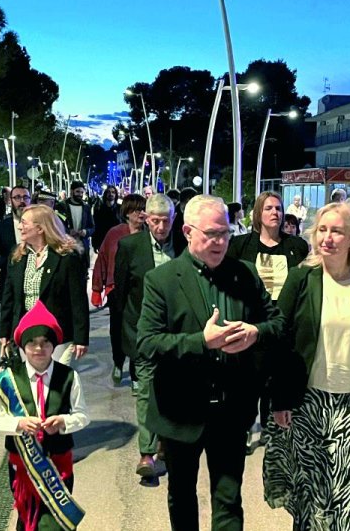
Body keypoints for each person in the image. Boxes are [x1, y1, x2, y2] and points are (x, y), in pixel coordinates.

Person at [137, 194, 283, 530]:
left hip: (232, 410)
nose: (220, 241)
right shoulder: (161, 280)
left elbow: (277, 322)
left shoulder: (245, 274)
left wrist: (254, 332)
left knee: (228, 500)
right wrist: (200, 341)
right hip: (180, 411)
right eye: (212, 234)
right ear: (188, 231)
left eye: (226, 233)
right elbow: (146, 343)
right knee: (182, 495)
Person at [263, 202, 350, 530]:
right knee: (313, 498)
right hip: (310, 403)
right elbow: (281, 339)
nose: (328, 237)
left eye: (336, 230)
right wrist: (280, 399)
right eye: (322, 230)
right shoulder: (301, 278)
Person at [0, 301, 90, 531]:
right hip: (23, 465)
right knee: (27, 518)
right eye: (32, 343)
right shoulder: (8, 379)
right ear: (23, 346)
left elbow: (83, 415)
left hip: (59, 464)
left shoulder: (69, 377)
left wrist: (64, 422)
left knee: (55, 522)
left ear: (54, 346)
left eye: (45, 343)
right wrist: (19, 423)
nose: (39, 349)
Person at [227, 191, 310, 452]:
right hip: (252, 321)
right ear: (258, 214)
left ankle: (271, 428)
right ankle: (242, 428)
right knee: (249, 381)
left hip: (285, 322)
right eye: (269, 208)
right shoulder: (240, 245)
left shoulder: (296, 246)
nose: (275, 213)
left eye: (278, 208)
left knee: (278, 378)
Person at [112, 193, 185, 481]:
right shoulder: (130, 246)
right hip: (143, 332)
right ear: (145, 219)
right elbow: (120, 293)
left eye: (166, 220)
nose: (160, 226)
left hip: (178, 333)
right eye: (155, 221)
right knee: (145, 393)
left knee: (173, 391)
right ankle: (146, 452)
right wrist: (124, 334)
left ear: (174, 219)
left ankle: (167, 443)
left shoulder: (184, 244)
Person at [0, 204, 89, 365]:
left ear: (40, 228)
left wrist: (81, 338)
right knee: (30, 385)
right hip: (25, 332)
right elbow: (9, 297)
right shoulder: (18, 255)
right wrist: (4, 332)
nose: (20, 227)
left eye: (25, 223)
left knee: (53, 385)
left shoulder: (67, 257)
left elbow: (78, 301)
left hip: (57, 334)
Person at [91, 194, 146, 384]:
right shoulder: (115, 233)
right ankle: (118, 361)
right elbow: (102, 260)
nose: (141, 213)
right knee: (117, 328)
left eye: (143, 208)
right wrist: (97, 289)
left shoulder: (149, 232)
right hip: (116, 289)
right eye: (137, 209)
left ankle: (135, 371)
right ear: (127, 212)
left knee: (137, 329)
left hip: (140, 289)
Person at [0, 185, 31, 306]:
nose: (22, 201)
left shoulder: (41, 225)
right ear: (10, 200)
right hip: (9, 284)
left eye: (25, 197)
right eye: (17, 197)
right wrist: (10, 261)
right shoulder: (0, 227)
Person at [56, 181, 95, 269]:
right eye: (77, 192)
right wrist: (68, 231)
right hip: (66, 244)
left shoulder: (86, 208)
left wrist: (86, 232)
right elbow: (57, 224)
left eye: (82, 192)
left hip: (82, 246)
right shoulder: (62, 206)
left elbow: (92, 227)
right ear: (72, 191)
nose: (80, 194)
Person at [92, 185, 122, 253]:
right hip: (102, 242)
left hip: (117, 242)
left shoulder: (120, 209)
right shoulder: (99, 209)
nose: (111, 194)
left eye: (113, 192)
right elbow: (95, 227)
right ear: (105, 194)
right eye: (108, 192)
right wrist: (95, 244)